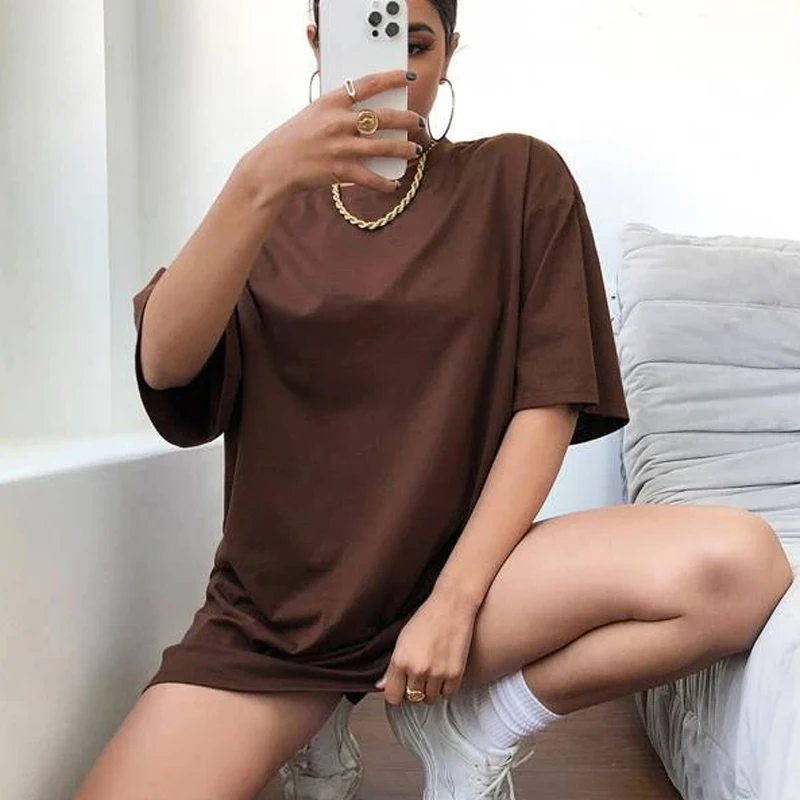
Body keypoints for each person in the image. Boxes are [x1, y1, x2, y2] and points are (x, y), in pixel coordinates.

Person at [72, 1, 794, 799]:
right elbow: (167, 365)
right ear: (316, 44)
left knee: (744, 566)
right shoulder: (265, 205)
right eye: (364, 41)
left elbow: (547, 404)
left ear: (450, 50)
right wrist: (258, 179)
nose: (394, 72)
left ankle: (472, 726)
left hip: (471, 587)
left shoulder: (518, 178)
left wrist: (454, 601)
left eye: (416, 45)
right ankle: (318, 722)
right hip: (283, 621)